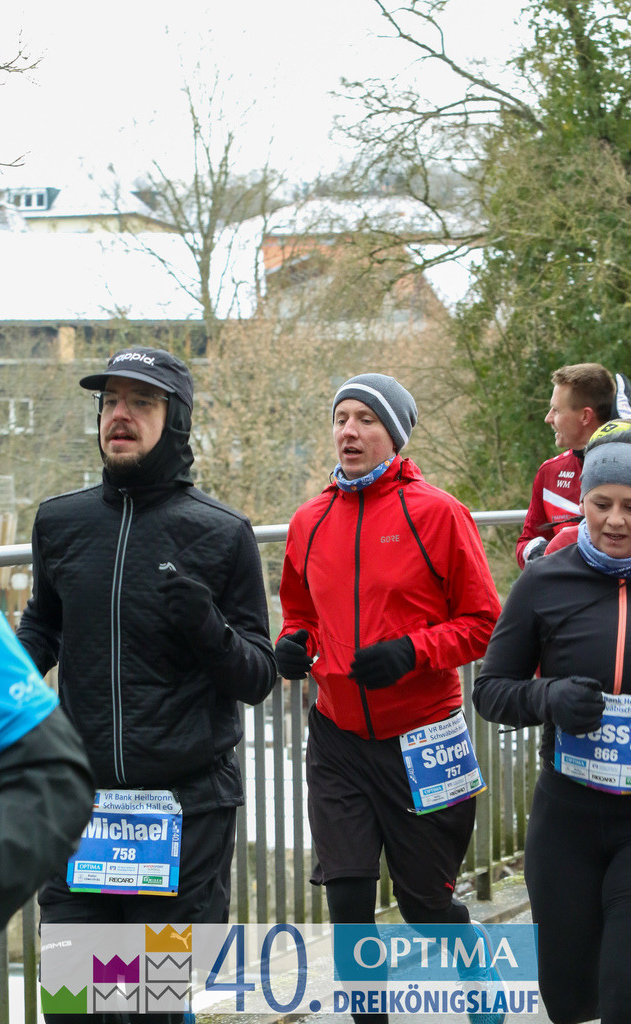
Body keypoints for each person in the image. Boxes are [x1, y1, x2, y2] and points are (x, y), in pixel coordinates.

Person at [17, 346, 277, 1024]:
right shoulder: (60, 522)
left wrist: (206, 626)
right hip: (79, 813)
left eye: (141, 402)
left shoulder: (222, 535)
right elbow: (42, 628)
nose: (120, 415)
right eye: (109, 402)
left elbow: (257, 678)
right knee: (74, 1008)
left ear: (176, 418)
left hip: (184, 814)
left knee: (150, 1011)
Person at [276, 373, 504, 1024]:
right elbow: (299, 612)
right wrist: (291, 643)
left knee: (425, 908)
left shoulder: (437, 512)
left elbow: (482, 621)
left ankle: (479, 986)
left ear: (394, 434)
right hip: (337, 738)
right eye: (340, 418)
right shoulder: (308, 520)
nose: (348, 431)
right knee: (347, 903)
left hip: (423, 739)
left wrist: (412, 651)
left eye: (365, 419)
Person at [473, 418, 631, 1024]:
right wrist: (549, 698)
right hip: (567, 814)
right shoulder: (544, 581)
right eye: (602, 503)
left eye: (629, 506)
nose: (616, 520)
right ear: (583, 502)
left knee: (621, 991)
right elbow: (491, 691)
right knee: (568, 999)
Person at [0, 557, 94, 1024]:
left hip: (185, 795)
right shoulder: (59, 523)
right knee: (79, 999)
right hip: (95, 831)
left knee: (156, 995)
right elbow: (40, 626)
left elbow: (45, 773)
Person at [516, 363, 617, 568]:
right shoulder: (550, 472)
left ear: (585, 416)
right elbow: (525, 542)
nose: (548, 418)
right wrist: (539, 555)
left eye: (556, 410)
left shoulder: (624, 470)